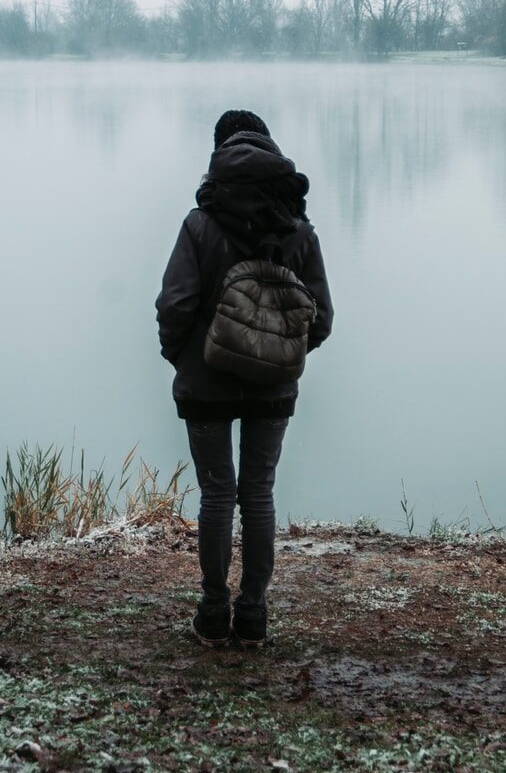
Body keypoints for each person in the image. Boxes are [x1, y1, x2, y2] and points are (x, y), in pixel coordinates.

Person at [156, 110, 333, 649]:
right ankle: (252, 616)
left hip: (205, 380)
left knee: (216, 495)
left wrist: (179, 356)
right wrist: (282, 354)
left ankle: (212, 615)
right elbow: (320, 318)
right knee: (257, 494)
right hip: (272, 387)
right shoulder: (297, 230)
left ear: (219, 154)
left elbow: (176, 304)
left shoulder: (199, 224)